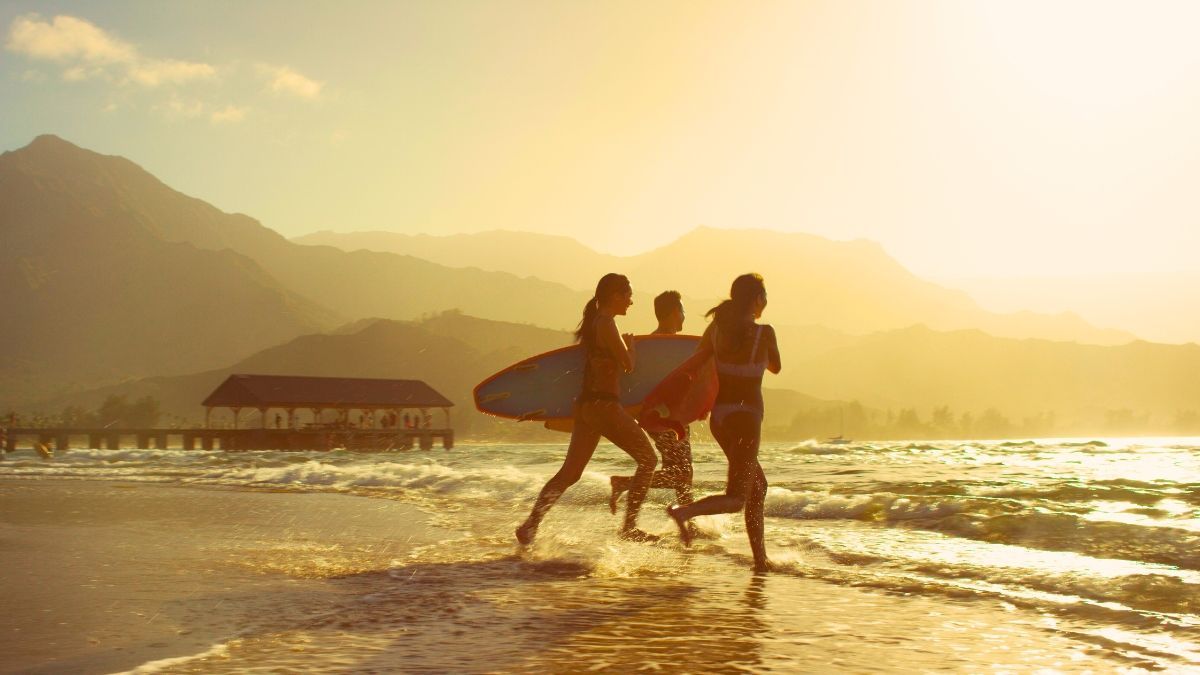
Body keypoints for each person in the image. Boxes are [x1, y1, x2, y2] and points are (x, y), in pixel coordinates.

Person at [516, 273, 658, 544]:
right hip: (605, 406)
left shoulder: (594, 323)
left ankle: (530, 525)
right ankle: (629, 527)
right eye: (628, 295)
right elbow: (628, 364)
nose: (631, 301)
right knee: (649, 460)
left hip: (586, 407)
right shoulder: (606, 323)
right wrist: (632, 347)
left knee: (570, 473)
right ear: (615, 296)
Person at [667, 274, 781, 573]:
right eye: (764, 295)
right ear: (757, 299)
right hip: (747, 418)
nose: (766, 301)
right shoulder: (764, 333)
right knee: (736, 498)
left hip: (720, 419)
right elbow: (776, 367)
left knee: (758, 486)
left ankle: (760, 560)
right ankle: (684, 512)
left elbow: (697, 362)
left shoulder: (717, 330)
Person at [608, 290, 695, 514]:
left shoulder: (665, 345)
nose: (685, 315)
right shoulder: (660, 347)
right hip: (661, 417)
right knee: (681, 472)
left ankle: (688, 518)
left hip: (672, 416)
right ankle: (624, 484)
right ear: (675, 312)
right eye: (683, 310)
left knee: (683, 471)